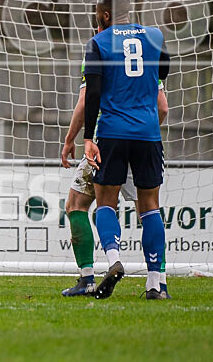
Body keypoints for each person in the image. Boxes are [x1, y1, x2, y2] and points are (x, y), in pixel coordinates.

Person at [82, 0, 171, 300]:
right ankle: (155, 284)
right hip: (148, 132)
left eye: (97, 16)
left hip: (112, 132)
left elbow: (92, 93)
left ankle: (113, 259)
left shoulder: (99, 42)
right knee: (150, 206)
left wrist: (88, 138)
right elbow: (162, 79)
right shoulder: (155, 37)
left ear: (106, 15)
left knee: (106, 201)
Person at [60, 58, 169, 297]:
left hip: (108, 141)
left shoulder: (99, 52)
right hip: (145, 140)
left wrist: (70, 139)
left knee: (77, 204)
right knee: (149, 209)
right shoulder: (145, 52)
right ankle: (157, 283)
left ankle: (88, 277)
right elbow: (162, 107)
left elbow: (84, 101)